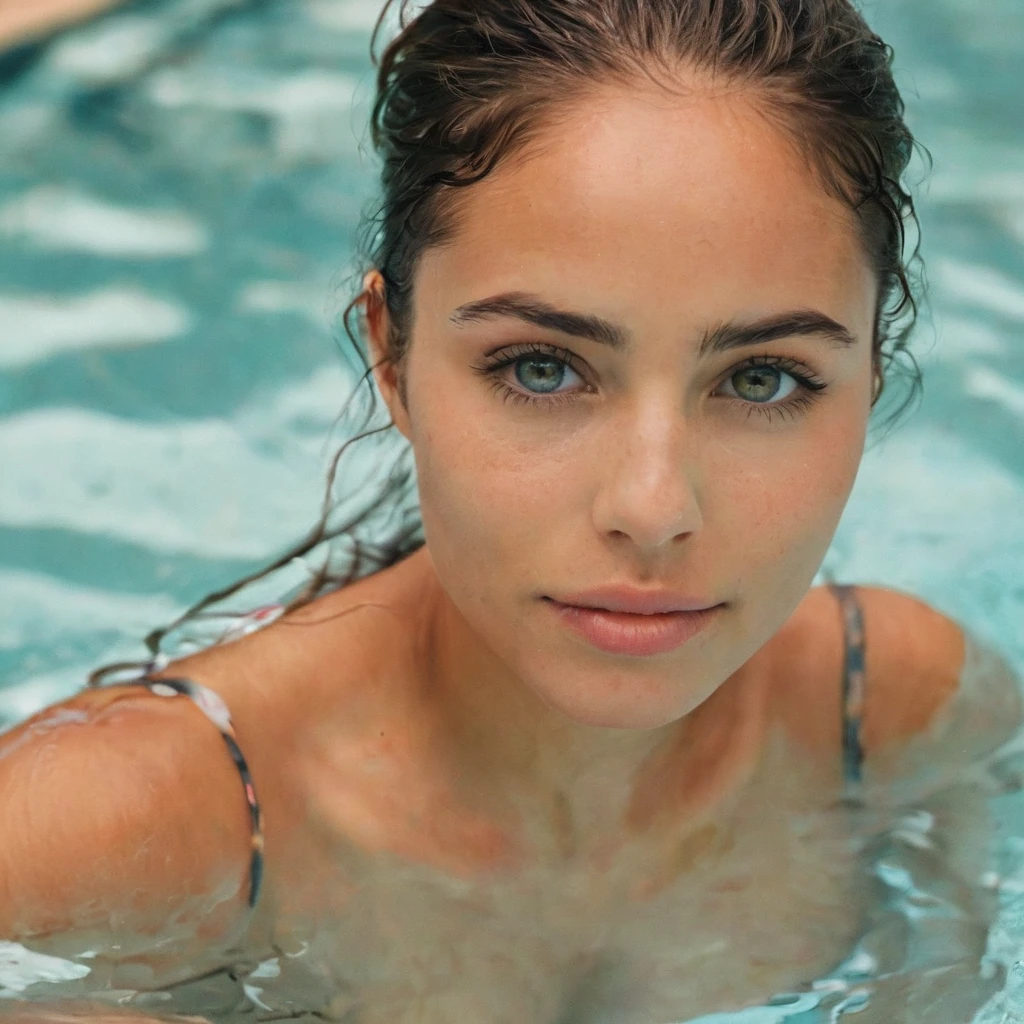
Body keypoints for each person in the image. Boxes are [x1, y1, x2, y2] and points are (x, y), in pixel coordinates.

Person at [1, 0, 1022, 1021]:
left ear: (873, 382)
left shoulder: (905, 718)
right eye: (542, 368)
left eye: (761, 380)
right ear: (390, 354)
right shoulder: (98, 841)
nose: (652, 507)